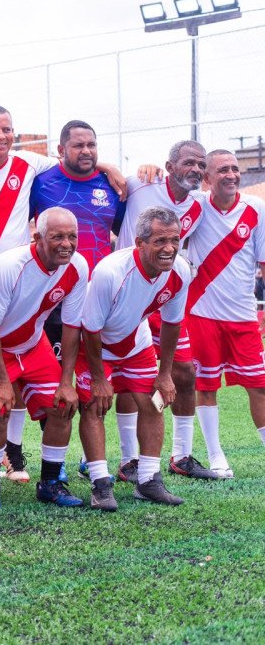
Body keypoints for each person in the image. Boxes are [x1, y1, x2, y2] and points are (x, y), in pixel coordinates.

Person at [0, 105, 126, 484]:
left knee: (41, 387)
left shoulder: (28, 164)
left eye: (7, 130)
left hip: (31, 284)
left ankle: (25, 461)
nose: (1, 137)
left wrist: (110, 169)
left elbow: (75, 157)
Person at [0, 207, 88, 510]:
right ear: (37, 237)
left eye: (72, 236)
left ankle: (50, 483)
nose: (67, 244)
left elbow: (73, 327)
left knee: (62, 405)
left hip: (33, 344)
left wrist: (66, 381)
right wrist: (2, 381)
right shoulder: (10, 264)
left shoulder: (78, 266)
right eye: (57, 237)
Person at [28, 120, 125, 480]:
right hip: (53, 297)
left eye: (92, 145)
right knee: (59, 382)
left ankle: (90, 457)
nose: (86, 151)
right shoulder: (41, 182)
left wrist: (108, 169)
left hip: (100, 299)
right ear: (60, 150)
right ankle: (56, 461)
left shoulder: (112, 186)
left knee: (98, 379)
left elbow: (125, 232)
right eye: (78, 145)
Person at [76, 207, 190, 509]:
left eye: (175, 239)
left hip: (135, 344)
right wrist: (100, 379)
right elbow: (90, 330)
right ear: (139, 243)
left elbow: (172, 323)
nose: (170, 248)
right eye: (160, 241)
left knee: (154, 402)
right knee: (93, 406)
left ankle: (149, 480)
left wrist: (164, 374)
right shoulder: (109, 272)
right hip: (96, 345)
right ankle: (100, 484)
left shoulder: (181, 270)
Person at [115, 141, 211, 481]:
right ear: (169, 167)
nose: (196, 169)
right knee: (128, 382)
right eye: (189, 163)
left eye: (202, 164)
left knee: (183, 372)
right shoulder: (141, 182)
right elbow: (111, 181)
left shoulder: (199, 206)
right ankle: (128, 460)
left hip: (164, 296)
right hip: (126, 297)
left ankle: (181, 454)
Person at [186, 150, 265, 474]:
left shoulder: (256, 210)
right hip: (201, 312)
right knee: (206, 386)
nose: (232, 175)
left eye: (235, 169)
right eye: (223, 170)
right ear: (207, 178)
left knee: (259, 385)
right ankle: (217, 456)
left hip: (244, 315)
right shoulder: (195, 207)